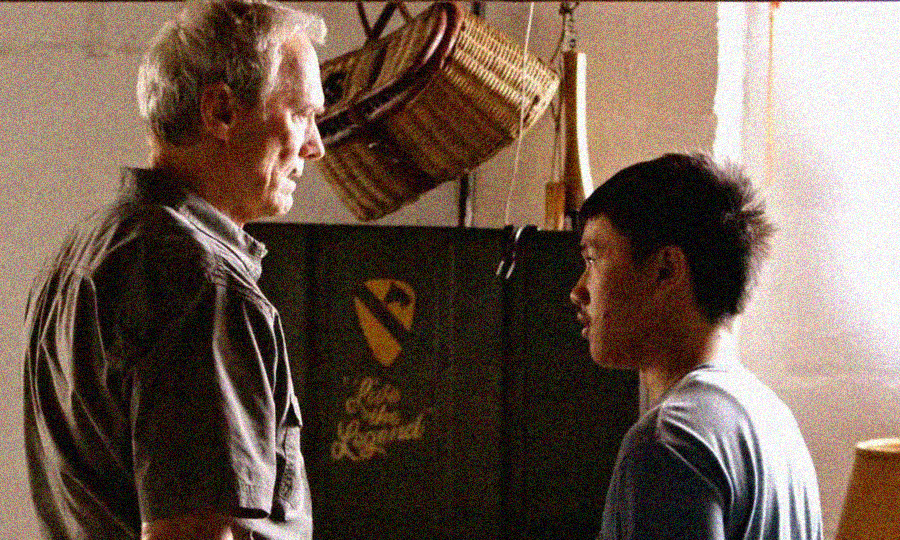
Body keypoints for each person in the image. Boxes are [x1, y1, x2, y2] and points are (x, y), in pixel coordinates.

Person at [22, 1, 326, 538]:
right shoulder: (200, 285)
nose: (314, 146)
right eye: (300, 113)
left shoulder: (80, 253)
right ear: (221, 113)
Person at [569, 153, 823, 539]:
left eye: (593, 259)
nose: (578, 291)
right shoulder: (773, 420)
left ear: (667, 268)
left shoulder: (669, 442)